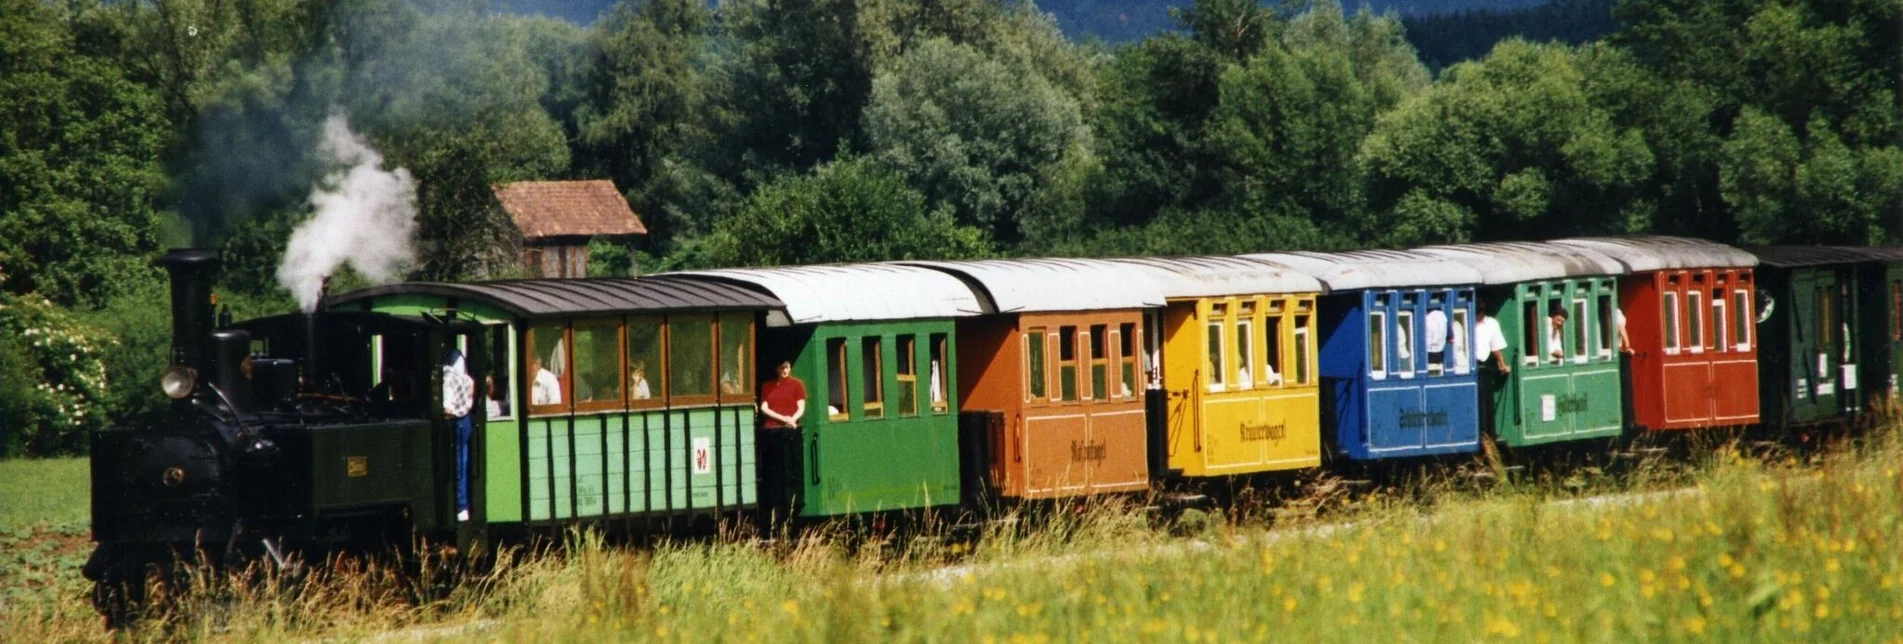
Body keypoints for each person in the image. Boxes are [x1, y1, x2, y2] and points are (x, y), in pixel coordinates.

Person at [442, 350, 475, 522]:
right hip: (466, 420)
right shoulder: (467, 379)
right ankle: (462, 507)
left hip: (456, 422)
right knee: (463, 462)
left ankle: (460, 506)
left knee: (456, 464)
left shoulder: (448, 378)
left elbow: (446, 408)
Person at [759, 360, 807, 429]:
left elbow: (801, 408)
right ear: (776, 369)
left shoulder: (797, 384)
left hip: (791, 427)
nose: (784, 371)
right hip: (772, 428)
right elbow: (764, 408)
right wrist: (784, 418)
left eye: (787, 367)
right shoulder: (767, 386)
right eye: (782, 368)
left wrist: (792, 420)